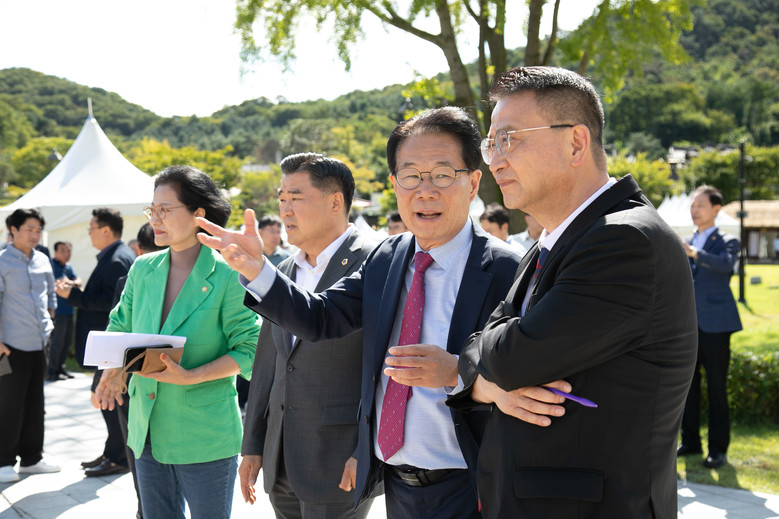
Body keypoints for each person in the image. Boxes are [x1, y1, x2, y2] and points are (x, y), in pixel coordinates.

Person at [197, 107, 567, 519]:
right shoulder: (387, 257)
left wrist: (457, 371)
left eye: (443, 174)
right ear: (394, 184)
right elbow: (321, 317)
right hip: (396, 484)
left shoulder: (507, 269)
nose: (425, 191)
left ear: (473, 182)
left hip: (473, 484)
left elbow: (533, 376)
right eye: (411, 176)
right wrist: (258, 270)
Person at [448, 66, 698, 518]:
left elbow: (508, 358)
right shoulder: (555, 241)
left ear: (576, 143)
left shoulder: (624, 241)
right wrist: (488, 378)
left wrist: (489, 367)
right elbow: (481, 349)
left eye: (509, 139)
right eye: (491, 144)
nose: (494, 161)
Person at [95, 165, 260, 519]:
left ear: (198, 214)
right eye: (152, 209)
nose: (155, 219)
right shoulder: (143, 268)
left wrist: (192, 376)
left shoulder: (229, 273)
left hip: (205, 434)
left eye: (165, 210)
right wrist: (113, 370)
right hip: (146, 428)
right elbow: (120, 326)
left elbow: (250, 348)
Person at [239, 153, 379, 519]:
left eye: (296, 197)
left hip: (339, 459)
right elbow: (268, 362)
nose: (285, 209)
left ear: (335, 202)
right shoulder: (284, 268)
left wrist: (367, 451)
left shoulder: (375, 261)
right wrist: (252, 444)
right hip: (281, 456)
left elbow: (385, 366)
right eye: (281, 198)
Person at [56, 207, 135, 477]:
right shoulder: (115, 256)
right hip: (108, 344)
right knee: (108, 401)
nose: (89, 234)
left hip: (110, 345)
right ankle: (112, 452)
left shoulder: (117, 259)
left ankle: (118, 456)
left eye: (91, 228)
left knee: (111, 401)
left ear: (106, 230)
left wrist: (73, 296)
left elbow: (110, 304)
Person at [678, 185, 742, 469]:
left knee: (717, 387)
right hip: (687, 326)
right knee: (686, 387)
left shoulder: (728, 241)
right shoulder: (685, 241)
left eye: (700, 205)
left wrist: (694, 254)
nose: (695, 210)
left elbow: (726, 265)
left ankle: (718, 448)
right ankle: (691, 442)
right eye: (692, 205)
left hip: (716, 326)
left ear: (716, 209)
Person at [0, 208, 60, 483]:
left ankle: (32, 458)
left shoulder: (43, 259)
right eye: (29, 229)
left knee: (37, 403)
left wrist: (50, 319)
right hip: (10, 345)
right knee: (9, 403)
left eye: (38, 230)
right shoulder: (2, 261)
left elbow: (50, 293)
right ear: (13, 230)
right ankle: (3, 461)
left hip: (40, 342)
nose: (35, 235)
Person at [111, 223, 165, 519]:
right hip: (135, 381)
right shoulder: (135, 275)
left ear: (138, 249)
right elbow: (117, 326)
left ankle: (144, 509)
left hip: (140, 379)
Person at [47, 241, 81, 381]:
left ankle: (60, 367)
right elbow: (57, 285)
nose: (67, 253)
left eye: (68, 250)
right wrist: (71, 283)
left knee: (66, 342)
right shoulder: (50, 266)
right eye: (63, 250)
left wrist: (71, 282)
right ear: (55, 252)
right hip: (57, 312)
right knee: (57, 343)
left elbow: (78, 281)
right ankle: (51, 371)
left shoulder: (68, 267)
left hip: (69, 310)